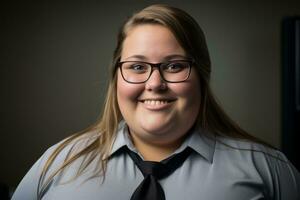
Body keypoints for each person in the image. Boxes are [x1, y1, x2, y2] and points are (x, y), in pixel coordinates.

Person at [12, 4, 300, 200]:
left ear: (202, 75)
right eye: (137, 67)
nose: (154, 84)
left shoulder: (268, 169)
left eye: (174, 66)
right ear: (117, 79)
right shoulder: (57, 163)